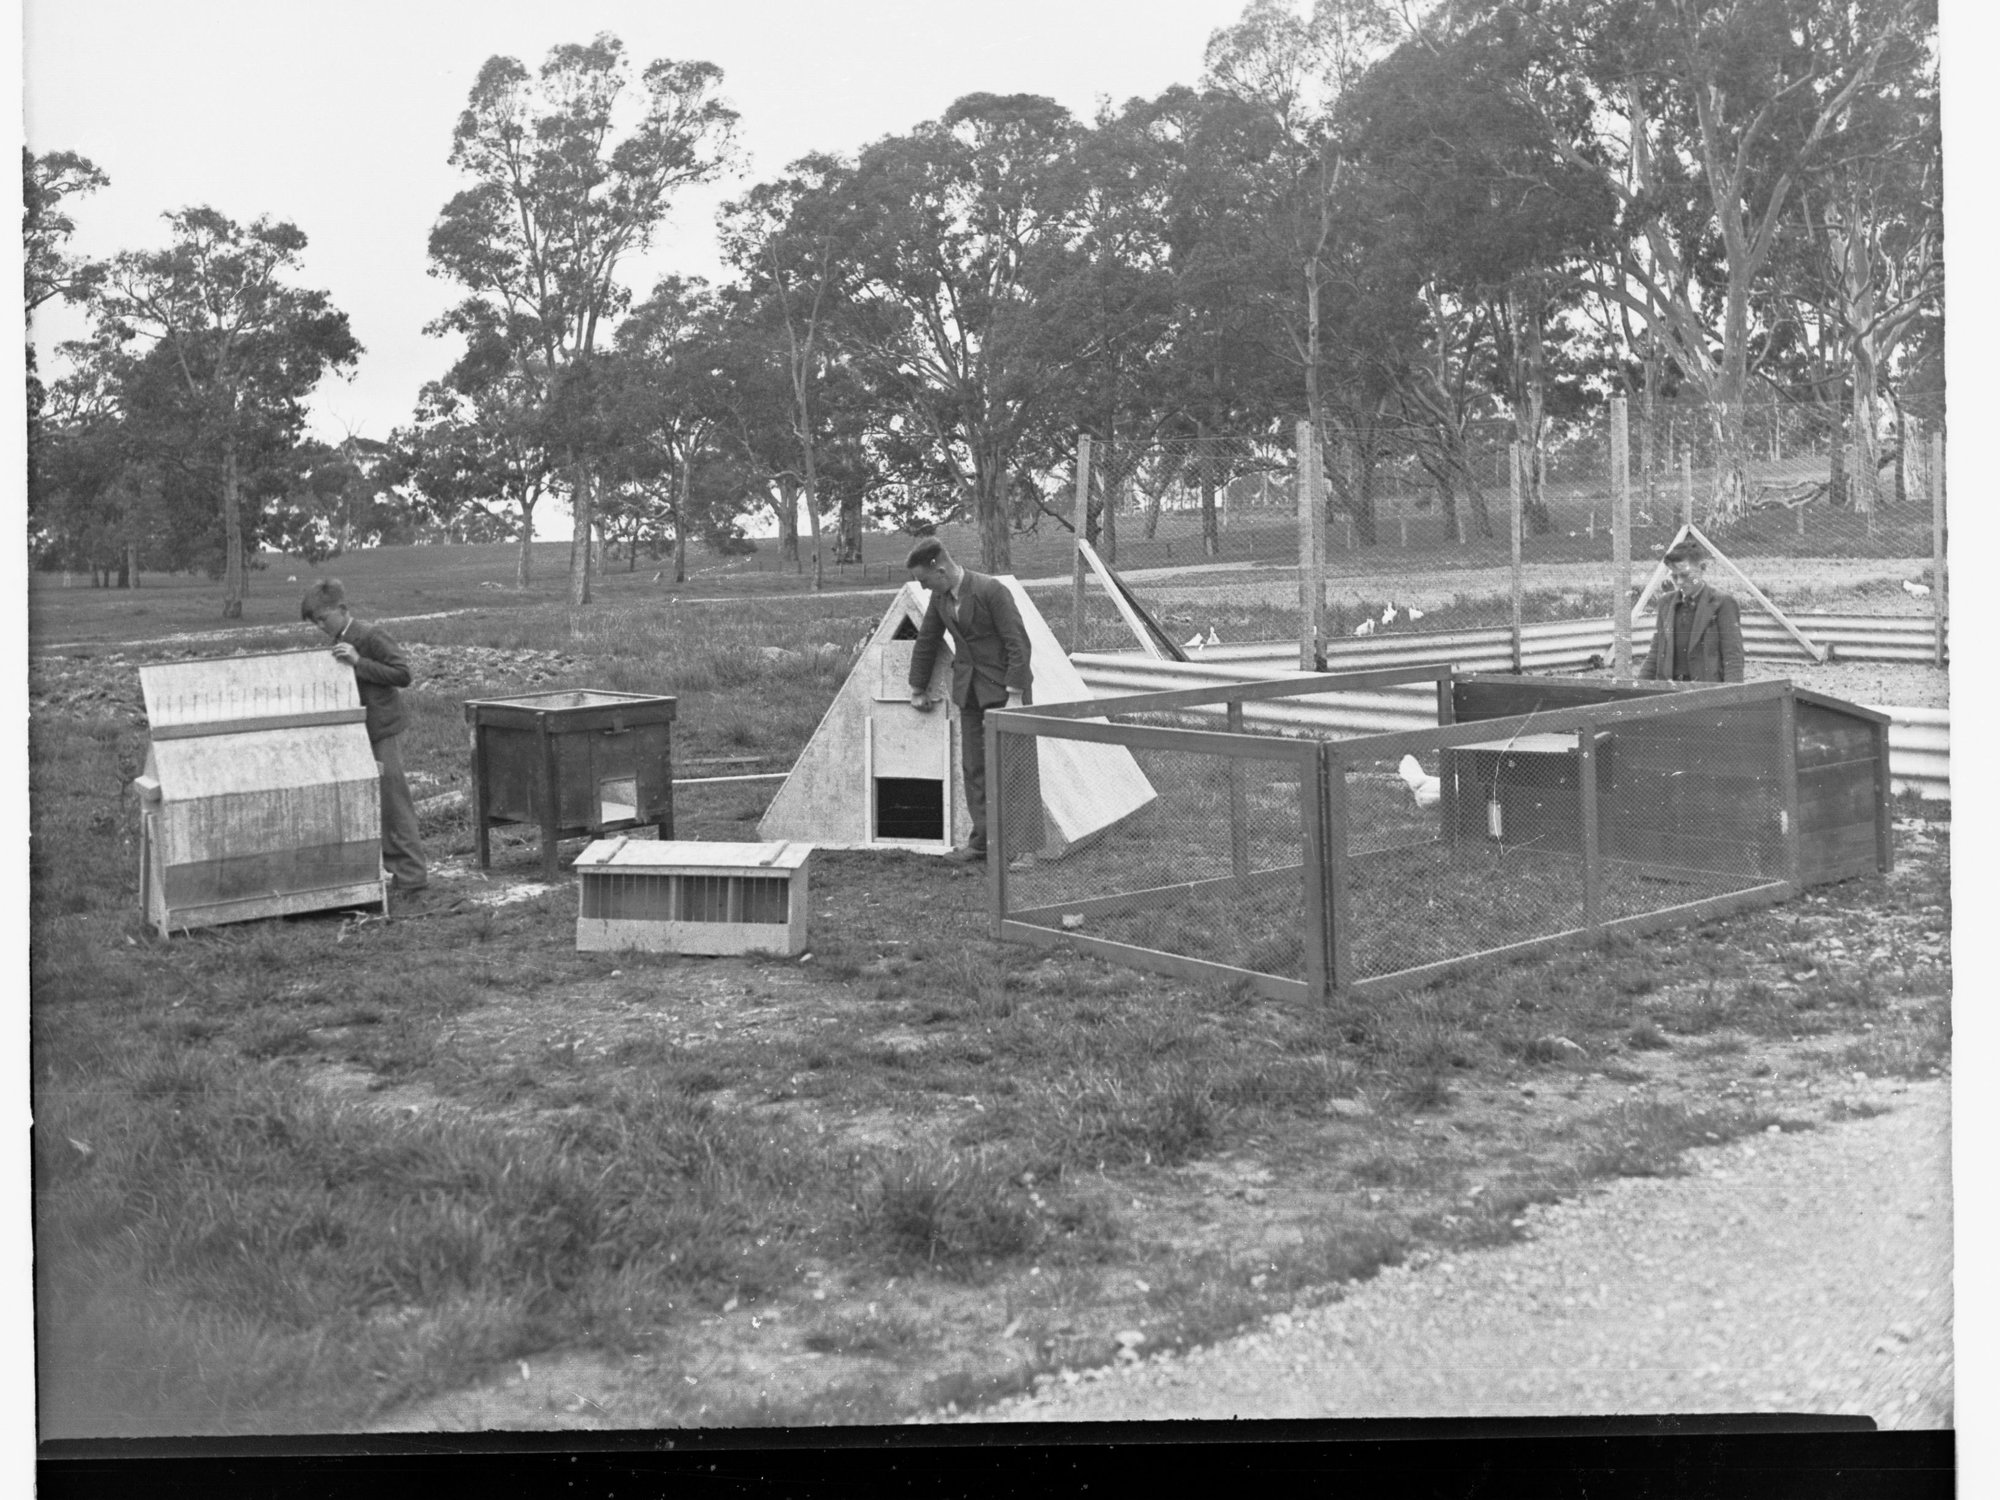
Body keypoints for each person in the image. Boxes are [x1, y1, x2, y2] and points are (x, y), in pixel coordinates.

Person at [905, 538, 1033, 863]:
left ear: (941, 569)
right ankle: (983, 843)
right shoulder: (940, 597)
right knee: (975, 767)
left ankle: (1023, 850)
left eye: (924, 580)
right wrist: (917, 687)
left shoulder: (991, 591)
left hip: (1006, 693)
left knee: (1015, 769)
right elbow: (927, 640)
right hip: (969, 692)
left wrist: (1016, 696)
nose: (922, 588)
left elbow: (1018, 643)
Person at [301, 579, 429, 894]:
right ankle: (392, 871)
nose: (320, 625)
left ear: (343, 610)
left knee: (394, 805)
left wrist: (360, 662)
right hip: (358, 733)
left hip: (381, 731)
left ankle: (413, 878)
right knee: (373, 804)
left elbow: (403, 674)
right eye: (315, 621)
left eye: (323, 617)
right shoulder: (339, 640)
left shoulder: (370, 636)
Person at [1638, 541, 1745, 683]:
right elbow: (1656, 652)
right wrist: (1637, 688)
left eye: (1685, 575)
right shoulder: (1666, 603)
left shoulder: (1722, 603)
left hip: (1706, 693)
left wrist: (1731, 698)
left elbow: (1733, 657)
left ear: (1702, 568)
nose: (1680, 582)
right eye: (1674, 577)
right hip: (1669, 691)